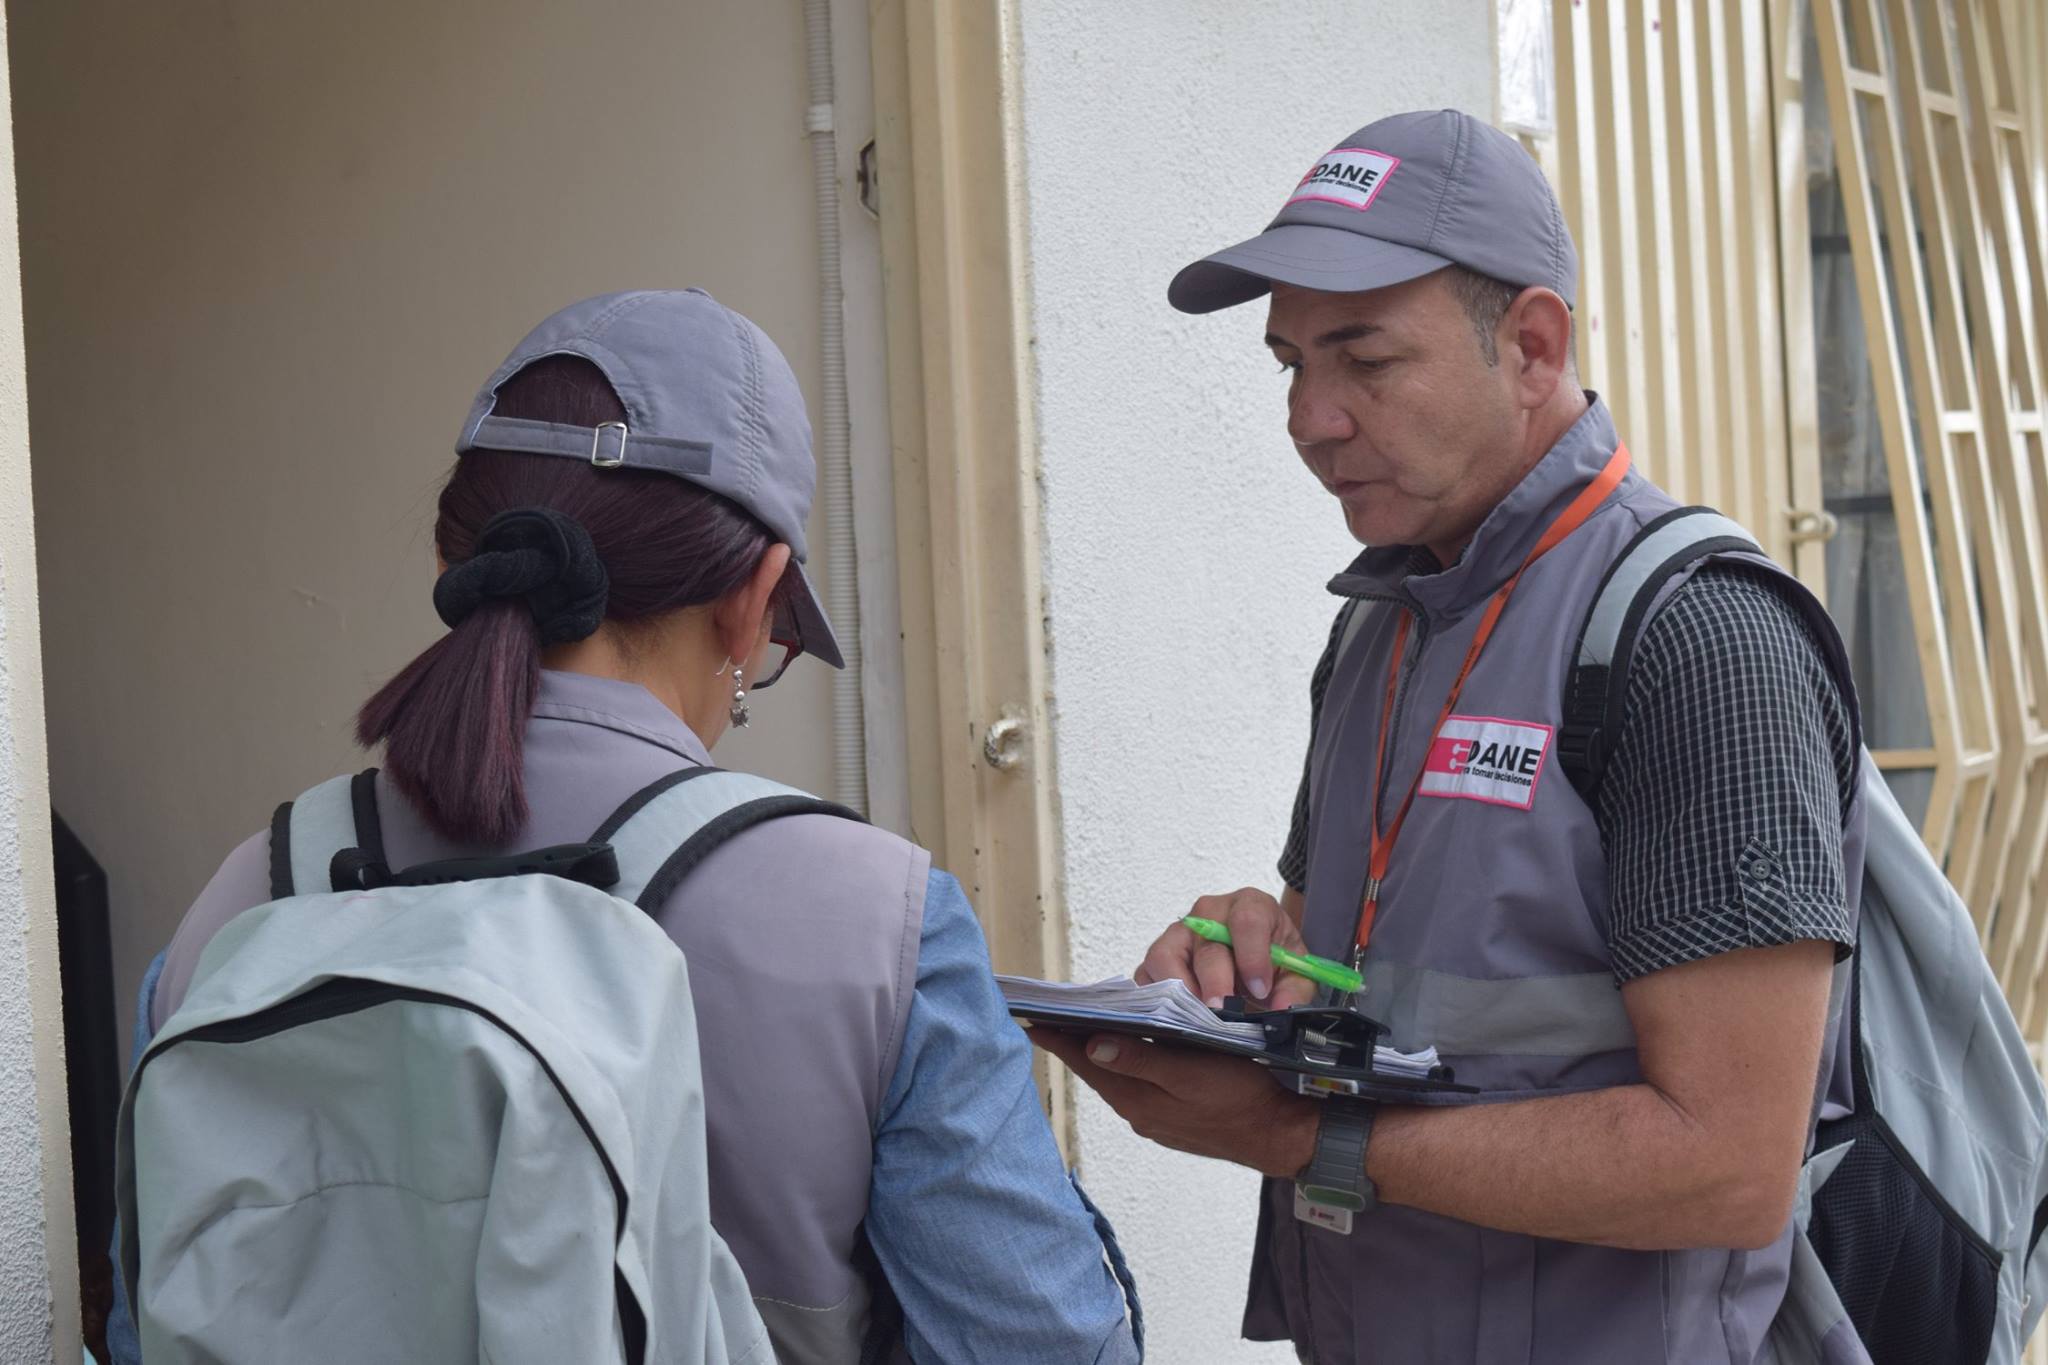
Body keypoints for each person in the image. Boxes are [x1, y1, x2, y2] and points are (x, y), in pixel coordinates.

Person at [111, 289, 1141, 1365]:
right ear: (753, 599)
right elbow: (1042, 1344)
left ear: (451, 568)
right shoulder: (874, 918)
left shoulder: (239, 908)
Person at [1031, 110, 1864, 1363]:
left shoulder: (1696, 639)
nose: (1309, 418)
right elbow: (1365, 975)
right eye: (1288, 364)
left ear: (1531, 346)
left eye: (1363, 359)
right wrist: (1248, 967)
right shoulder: (1382, 621)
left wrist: (1300, 1139)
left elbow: (1726, 1164)